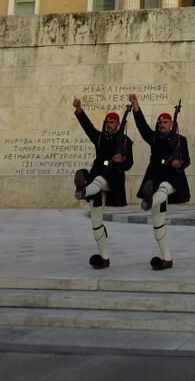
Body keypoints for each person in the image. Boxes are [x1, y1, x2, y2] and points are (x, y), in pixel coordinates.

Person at [128, 93, 190, 271]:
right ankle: (167, 259)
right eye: (160, 122)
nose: (162, 125)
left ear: (171, 124)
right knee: (158, 222)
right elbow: (141, 126)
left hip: (173, 178)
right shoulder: (154, 138)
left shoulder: (180, 140)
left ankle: (149, 200)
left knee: (163, 188)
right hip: (154, 178)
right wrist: (135, 106)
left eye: (165, 122)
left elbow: (187, 159)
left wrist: (180, 163)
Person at [72, 97, 133, 270]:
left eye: (112, 122)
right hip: (96, 180)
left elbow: (129, 164)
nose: (109, 124)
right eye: (107, 121)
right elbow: (88, 127)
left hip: (113, 180)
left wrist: (120, 160)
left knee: (99, 181)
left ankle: (82, 191)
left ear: (118, 123)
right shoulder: (99, 138)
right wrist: (79, 110)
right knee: (96, 222)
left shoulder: (126, 141)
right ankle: (104, 258)